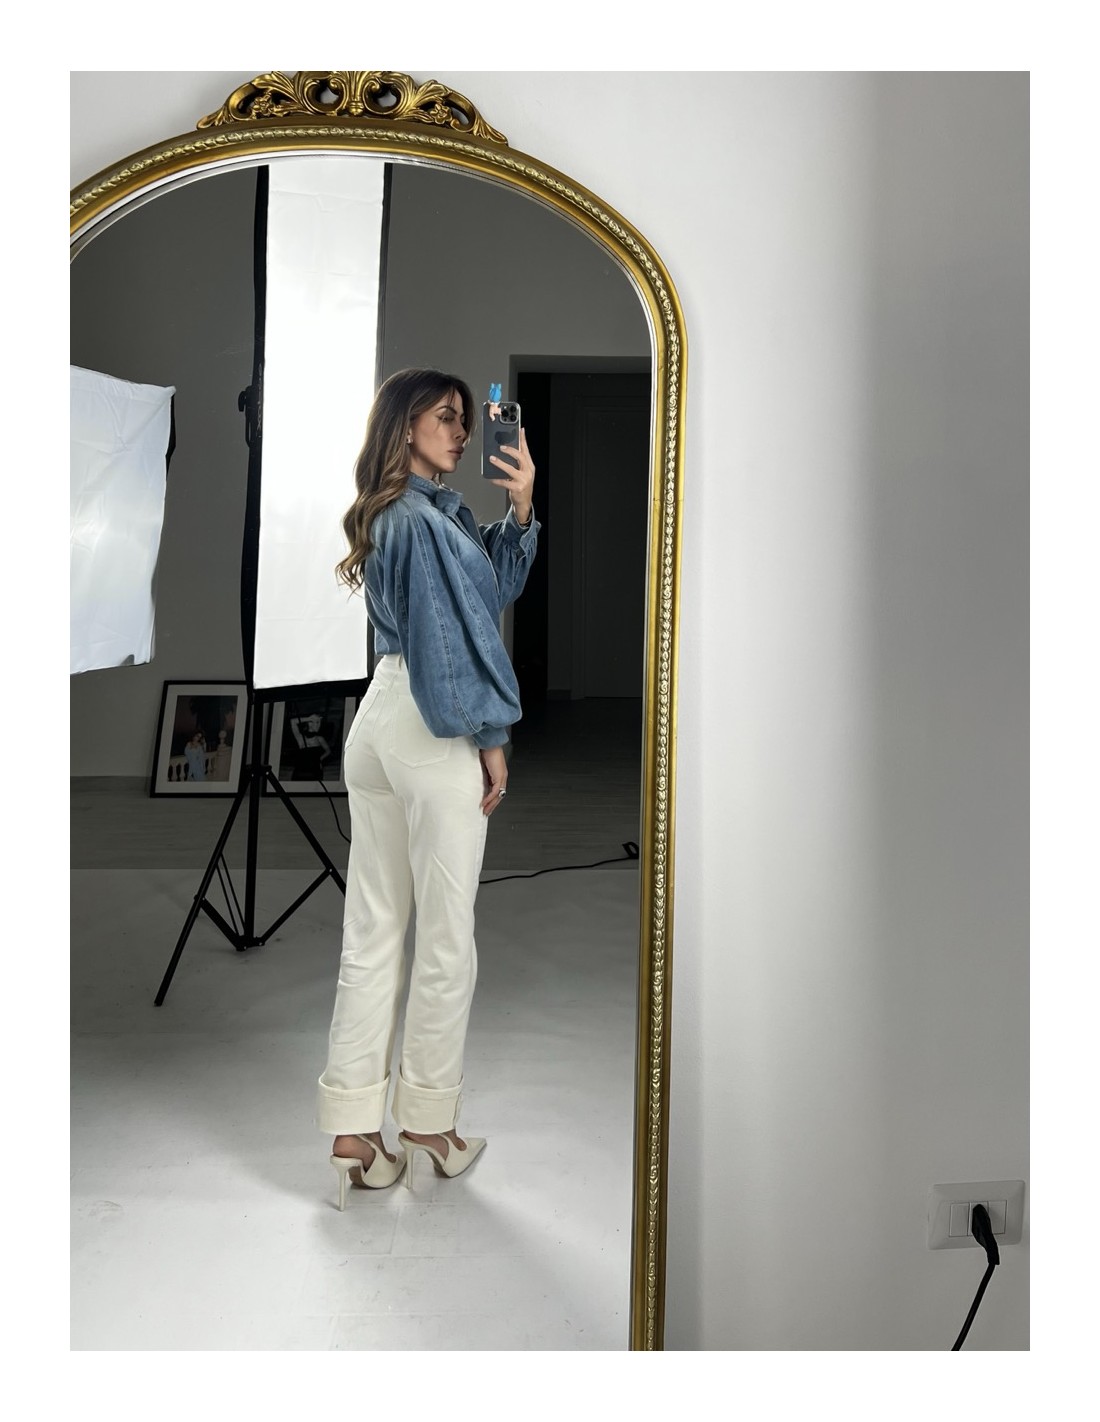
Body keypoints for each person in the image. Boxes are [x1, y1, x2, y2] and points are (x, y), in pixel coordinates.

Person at [317, 367, 538, 1207]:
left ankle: (352, 1132)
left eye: (464, 419)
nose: (461, 431)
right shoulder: (418, 519)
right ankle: (429, 1129)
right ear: (405, 424)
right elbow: (450, 646)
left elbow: (488, 598)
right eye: (445, 417)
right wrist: (490, 735)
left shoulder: (408, 513)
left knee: (372, 930)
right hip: (429, 722)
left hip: (379, 719)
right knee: (446, 938)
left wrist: (520, 510)